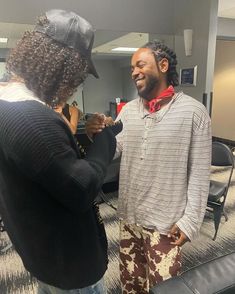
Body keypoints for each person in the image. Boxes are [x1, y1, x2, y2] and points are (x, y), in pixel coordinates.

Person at [0, 9, 122, 294]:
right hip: (70, 266)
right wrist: (105, 141)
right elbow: (82, 187)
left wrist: (88, 144)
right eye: (76, 76)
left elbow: (54, 169)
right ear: (61, 66)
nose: (74, 85)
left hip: (43, 252)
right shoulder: (32, 119)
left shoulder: (6, 104)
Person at [86, 40, 212, 293]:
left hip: (166, 224)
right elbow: (115, 150)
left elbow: (199, 174)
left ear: (163, 65)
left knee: (164, 288)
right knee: (131, 284)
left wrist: (191, 221)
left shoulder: (194, 113)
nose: (134, 71)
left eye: (140, 64)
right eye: (132, 67)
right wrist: (98, 134)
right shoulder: (129, 111)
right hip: (130, 217)